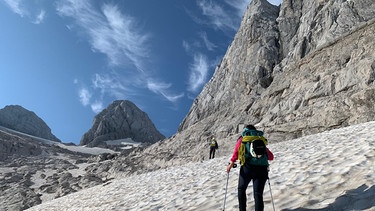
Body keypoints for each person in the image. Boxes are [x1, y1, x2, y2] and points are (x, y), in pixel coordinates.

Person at [226, 125, 274, 211]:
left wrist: (230, 165)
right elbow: (271, 157)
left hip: (247, 169)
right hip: (262, 170)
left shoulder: (243, 139)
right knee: (258, 194)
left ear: (246, 130)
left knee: (241, 189)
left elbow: (236, 153)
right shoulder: (260, 139)